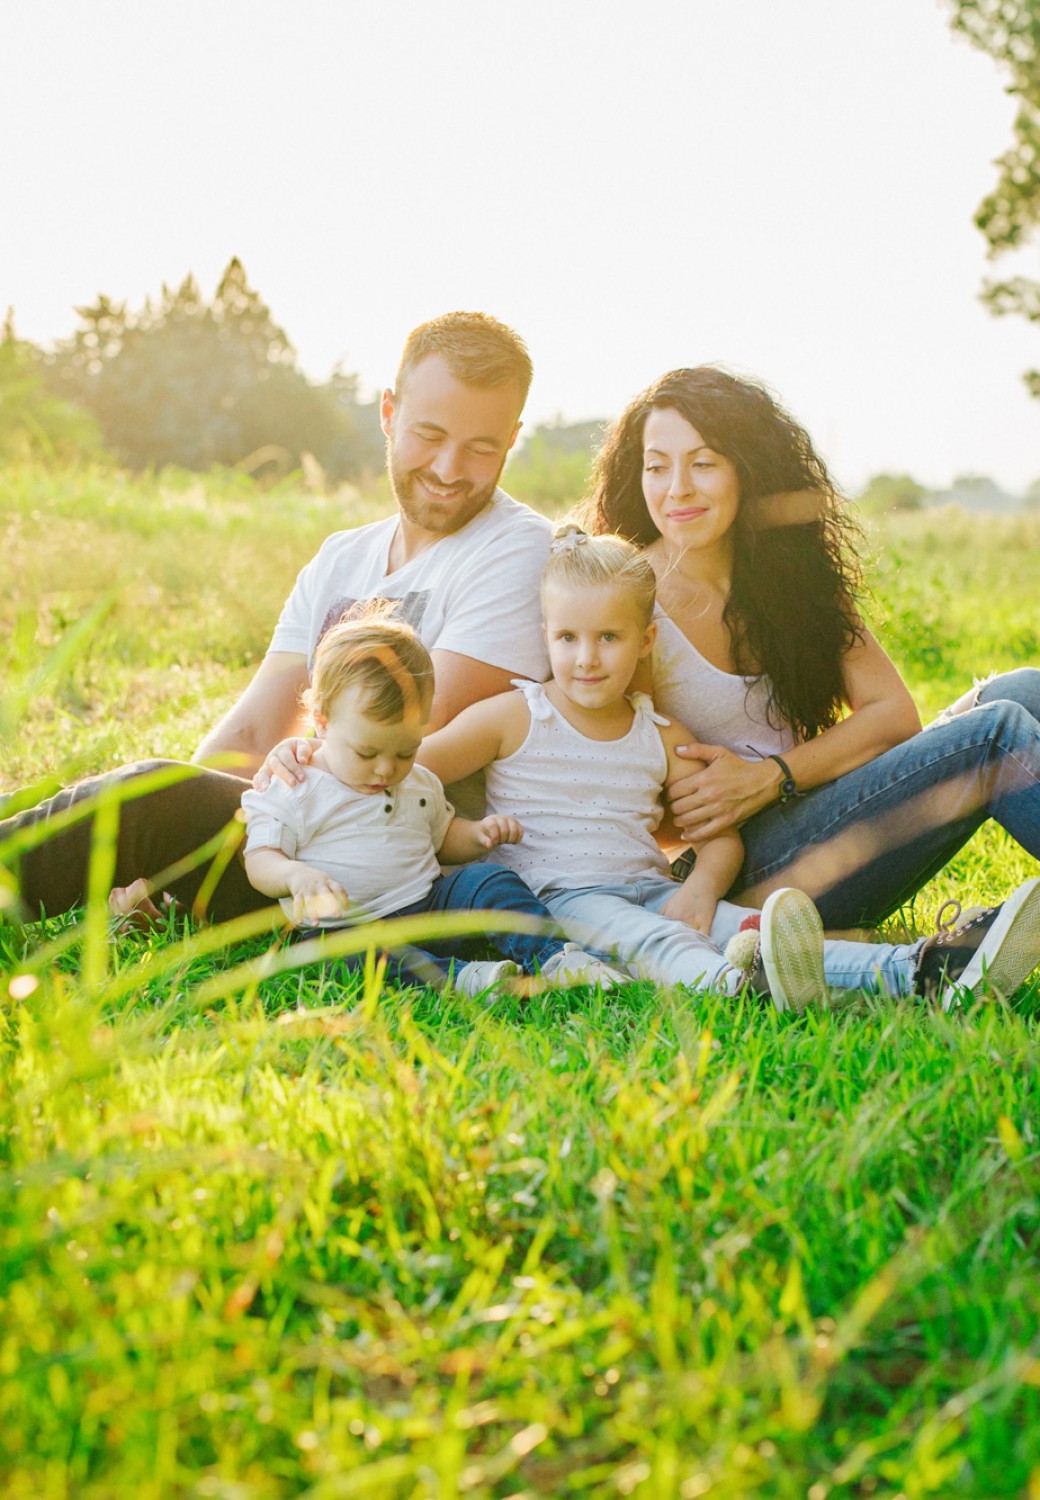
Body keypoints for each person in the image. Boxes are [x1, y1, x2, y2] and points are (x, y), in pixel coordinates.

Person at [1, 311, 555, 927]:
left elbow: (414, 741)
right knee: (84, 799)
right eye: (430, 434)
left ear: (512, 439)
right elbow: (253, 730)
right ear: (389, 414)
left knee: (149, 799)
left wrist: (179, 814)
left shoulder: (519, 549)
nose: (451, 469)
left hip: (388, 872)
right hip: (295, 844)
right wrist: (163, 853)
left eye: (481, 447)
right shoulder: (341, 557)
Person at [414, 527, 1040, 1010]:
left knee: (754, 925)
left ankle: (927, 968)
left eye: (608, 638)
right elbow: (418, 768)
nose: (586, 658)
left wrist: (700, 889)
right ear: (546, 634)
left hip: (653, 885)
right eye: (568, 638)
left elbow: (720, 837)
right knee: (662, 943)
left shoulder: (659, 734)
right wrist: (322, 761)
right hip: (561, 897)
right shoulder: (512, 717)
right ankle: (740, 985)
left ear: (644, 643)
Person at [584, 366, 1040, 930]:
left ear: (748, 471)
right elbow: (624, 795)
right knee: (993, 734)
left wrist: (770, 776)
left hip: (819, 821)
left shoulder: (793, 581)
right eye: (657, 466)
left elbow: (894, 714)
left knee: (1026, 690)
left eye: (703, 463)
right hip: (726, 872)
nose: (676, 487)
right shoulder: (627, 597)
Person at [239, 607, 626, 993]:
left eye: (406, 752)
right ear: (322, 723)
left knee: (487, 879)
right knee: (339, 955)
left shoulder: (419, 783)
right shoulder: (296, 783)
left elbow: (440, 839)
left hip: (429, 907)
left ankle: (558, 957)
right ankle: (462, 979)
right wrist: (294, 875)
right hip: (350, 927)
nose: (386, 770)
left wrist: (477, 835)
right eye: (366, 754)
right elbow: (259, 860)